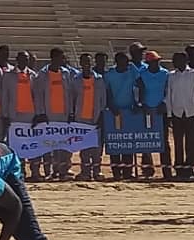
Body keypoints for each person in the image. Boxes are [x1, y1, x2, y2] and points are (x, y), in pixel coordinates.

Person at [34, 47, 74, 181]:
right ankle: (50, 171)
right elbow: (38, 95)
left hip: (63, 115)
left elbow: (69, 95)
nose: (62, 60)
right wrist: (41, 113)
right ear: (53, 58)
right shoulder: (42, 75)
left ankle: (64, 170)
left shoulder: (66, 73)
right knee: (49, 144)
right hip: (48, 115)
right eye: (60, 57)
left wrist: (71, 112)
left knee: (64, 144)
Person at [166, 51, 194, 179]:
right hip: (177, 113)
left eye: (177, 60)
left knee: (191, 142)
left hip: (191, 112)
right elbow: (169, 95)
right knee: (178, 142)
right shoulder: (171, 76)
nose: (175, 63)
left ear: (185, 61)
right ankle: (179, 168)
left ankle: (190, 168)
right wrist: (169, 113)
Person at [136, 50, 172, 179]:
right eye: (153, 62)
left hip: (160, 111)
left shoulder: (165, 74)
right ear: (148, 63)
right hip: (147, 110)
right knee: (147, 140)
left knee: (164, 141)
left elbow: (168, 90)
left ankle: (166, 170)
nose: (155, 64)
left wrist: (164, 102)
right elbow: (139, 90)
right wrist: (141, 103)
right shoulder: (142, 74)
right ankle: (148, 169)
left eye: (157, 61)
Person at [104, 51, 138, 180]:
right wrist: (111, 106)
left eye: (128, 61)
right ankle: (116, 172)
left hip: (129, 111)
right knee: (115, 143)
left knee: (128, 142)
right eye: (124, 61)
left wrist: (137, 102)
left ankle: (128, 171)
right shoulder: (110, 74)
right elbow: (107, 91)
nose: (127, 64)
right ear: (117, 61)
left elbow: (139, 84)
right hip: (114, 112)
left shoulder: (131, 71)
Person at [73, 53, 106, 181]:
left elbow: (103, 99)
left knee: (97, 148)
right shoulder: (76, 80)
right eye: (84, 62)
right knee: (84, 147)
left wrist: (101, 115)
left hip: (95, 118)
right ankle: (85, 171)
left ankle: (97, 171)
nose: (86, 64)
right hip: (81, 119)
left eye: (89, 61)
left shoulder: (98, 79)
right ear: (80, 63)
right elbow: (73, 98)